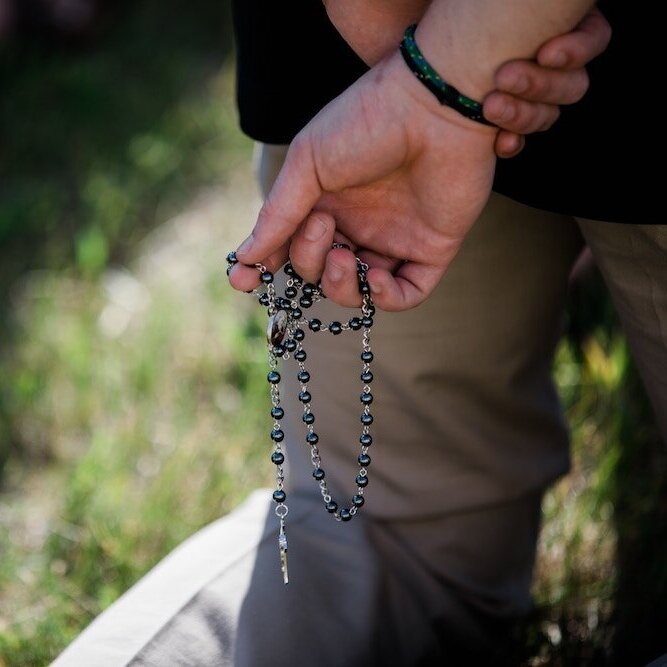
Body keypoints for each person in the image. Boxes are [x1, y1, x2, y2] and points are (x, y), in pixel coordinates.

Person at [53, 2, 659, 665]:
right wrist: (441, 80)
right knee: (366, 522)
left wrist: (433, 71)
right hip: (382, 101)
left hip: (363, 67)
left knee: (374, 534)